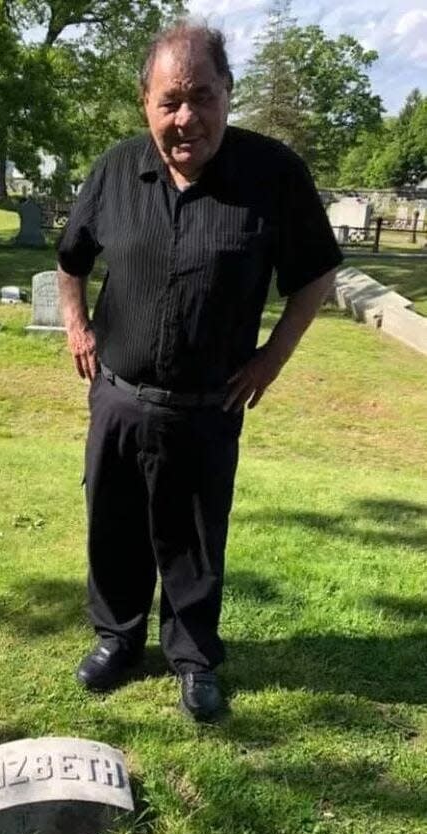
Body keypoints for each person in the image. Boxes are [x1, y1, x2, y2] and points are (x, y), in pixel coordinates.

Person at [56, 19, 343, 721]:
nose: (187, 118)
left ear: (228, 94)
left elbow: (316, 278)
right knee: (114, 524)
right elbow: (71, 258)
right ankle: (116, 640)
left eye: (204, 97)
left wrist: (272, 360)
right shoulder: (117, 169)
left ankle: (192, 657)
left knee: (193, 535)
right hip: (119, 397)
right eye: (170, 101)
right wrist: (76, 324)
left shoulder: (274, 175)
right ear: (145, 103)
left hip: (206, 405)